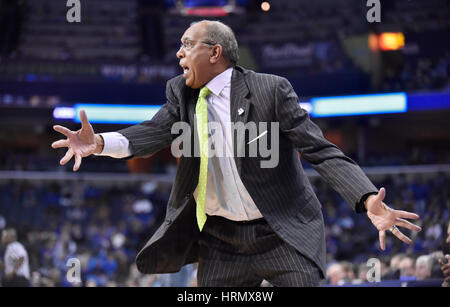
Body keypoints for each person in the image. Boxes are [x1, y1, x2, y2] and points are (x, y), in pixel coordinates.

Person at [51, 20, 422, 286]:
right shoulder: (181, 94)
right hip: (220, 239)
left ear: (214, 52)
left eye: (186, 43)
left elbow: (321, 150)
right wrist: (99, 143)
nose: (179, 53)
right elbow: (151, 133)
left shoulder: (271, 91)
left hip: (281, 230)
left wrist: (368, 197)